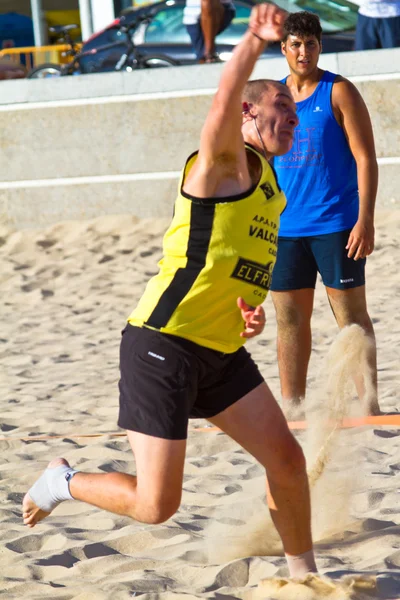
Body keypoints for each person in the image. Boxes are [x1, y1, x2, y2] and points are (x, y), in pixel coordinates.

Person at [23, 3, 318, 580]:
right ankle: (62, 480)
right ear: (246, 112)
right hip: (163, 344)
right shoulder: (220, 165)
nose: (292, 118)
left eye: (293, 112)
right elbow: (218, 104)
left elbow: (236, 270)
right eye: (280, 107)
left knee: (287, 460)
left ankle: (304, 577)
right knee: (157, 507)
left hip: (220, 350)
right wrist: (255, 40)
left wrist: (249, 319)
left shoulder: (271, 190)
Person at [270, 11, 381, 418]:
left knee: (351, 319)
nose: (304, 51)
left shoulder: (339, 91)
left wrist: (365, 219)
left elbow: (365, 159)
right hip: (284, 229)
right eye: (296, 44)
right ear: (283, 48)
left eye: (311, 44)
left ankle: (369, 405)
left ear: (320, 46)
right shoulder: (272, 96)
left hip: (337, 225)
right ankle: (293, 410)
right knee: (289, 321)